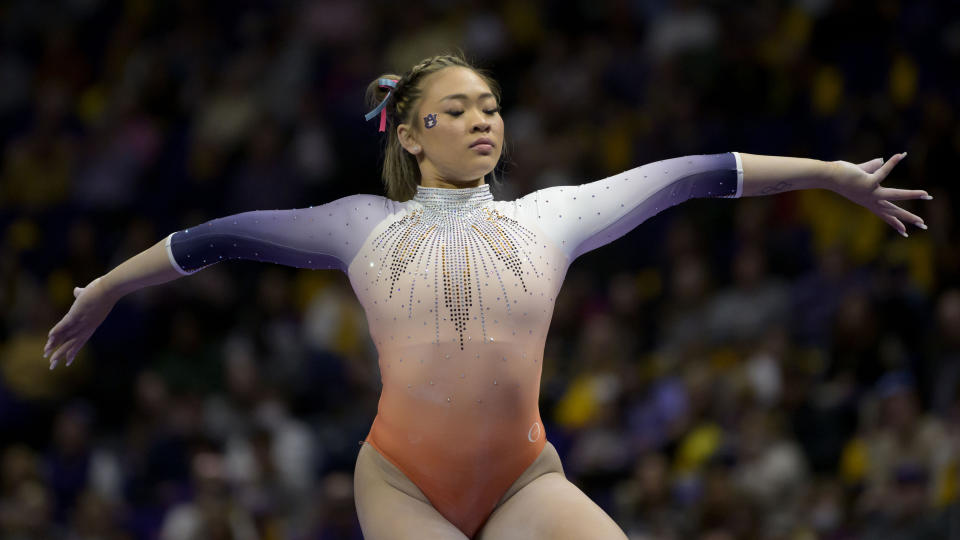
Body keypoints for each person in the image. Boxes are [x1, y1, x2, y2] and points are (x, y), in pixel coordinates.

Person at [42, 51, 930, 539]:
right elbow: (216, 238)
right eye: (458, 108)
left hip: (521, 479)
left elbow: (697, 174)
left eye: (492, 106)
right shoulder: (360, 226)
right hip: (401, 484)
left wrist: (829, 176)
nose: (483, 120)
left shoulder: (554, 215)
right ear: (415, 138)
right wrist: (109, 288)